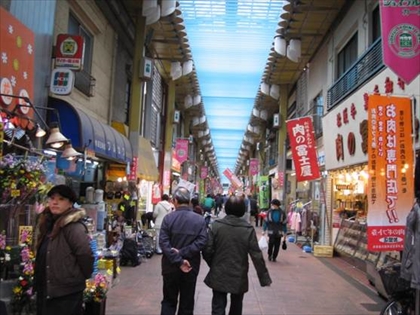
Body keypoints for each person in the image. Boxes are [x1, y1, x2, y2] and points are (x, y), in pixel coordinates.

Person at [203, 195, 272, 315]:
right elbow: (256, 255)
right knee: (236, 306)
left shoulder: (217, 226)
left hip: (219, 272)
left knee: (218, 306)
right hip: (239, 273)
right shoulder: (247, 229)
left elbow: (207, 250)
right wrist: (264, 278)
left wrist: (213, 264)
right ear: (242, 210)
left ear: (226, 209)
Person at [34, 185, 94, 315]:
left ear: (70, 203)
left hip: (66, 293)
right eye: (52, 198)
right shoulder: (48, 223)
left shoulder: (73, 227)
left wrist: (77, 277)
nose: (55, 202)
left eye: (61, 199)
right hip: (47, 289)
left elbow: (85, 254)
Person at [159, 187, 208, 315]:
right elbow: (202, 241)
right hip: (190, 267)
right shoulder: (199, 220)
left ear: (175, 200)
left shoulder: (168, 219)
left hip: (170, 266)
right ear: (190, 201)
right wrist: (183, 256)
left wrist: (177, 257)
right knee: (187, 303)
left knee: (168, 301)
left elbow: (163, 243)